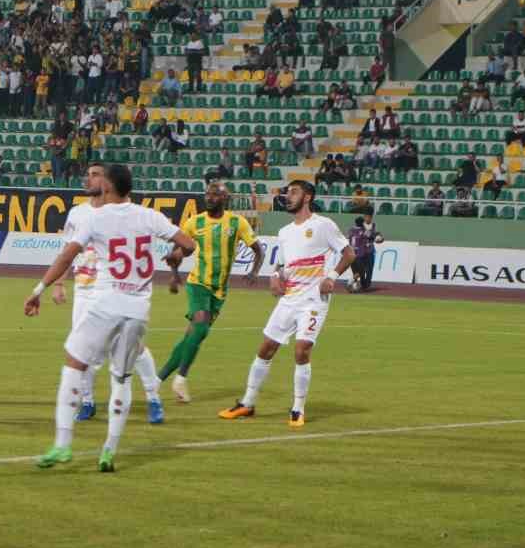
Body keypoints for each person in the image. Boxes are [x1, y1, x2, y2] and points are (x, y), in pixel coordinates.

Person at [24, 163, 195, 471]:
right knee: (121, 377)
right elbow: (188, 244)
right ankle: (108, 451)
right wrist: (175, 256)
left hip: (108, 301)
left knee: (73, 362)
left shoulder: (96, 217)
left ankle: (63, 445)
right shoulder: (149, 215)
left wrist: (39, 289)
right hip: (139, 309)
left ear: (108, 187)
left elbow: (67, 255)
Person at [220, 180, 354, 428]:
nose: (288, 196)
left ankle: (297, 408)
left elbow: (349, 253)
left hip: (314, 300)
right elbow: (283, 266)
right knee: (265, 349)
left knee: (301, 350)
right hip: (289, 299)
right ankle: (247, 403)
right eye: (287, 192)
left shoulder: (323, 225)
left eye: (294, 192)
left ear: (308, 197)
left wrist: (332, 277)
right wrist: (274, 277)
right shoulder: (284, 232)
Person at [54, 164, 167, 425]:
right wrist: (59, 284)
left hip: (115, 290)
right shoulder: (77, 213)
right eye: (88, 174)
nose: (89, 178)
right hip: (84, 289)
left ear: (106, 182)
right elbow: (66, 252)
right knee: (84, 351)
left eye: (95, 174)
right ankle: (88, 400)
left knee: (135, 350)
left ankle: (153, 397)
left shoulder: (122, 214)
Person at [158, 181, 263, 403]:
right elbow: (179, 252)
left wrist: (254, 272)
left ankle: (157, 380)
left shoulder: (237, 222)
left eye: (215, 194)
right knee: (201, 325)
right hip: (198, 283)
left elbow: (258, 250)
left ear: (225, 198)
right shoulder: (194, 223)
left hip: (219, 291)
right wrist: (175, 274)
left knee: (193, 335)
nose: (209, 197)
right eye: (207, 194)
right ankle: (181, 378)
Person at [347, 216, 376, 291]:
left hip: (351, 254)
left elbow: (349, 238)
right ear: (362, 223)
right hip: (360, 255)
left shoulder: (351, 230)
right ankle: (351, 283)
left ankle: (355, 286)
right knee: (361, 272)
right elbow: (371, 237)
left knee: (356, 271)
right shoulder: (362, 231)